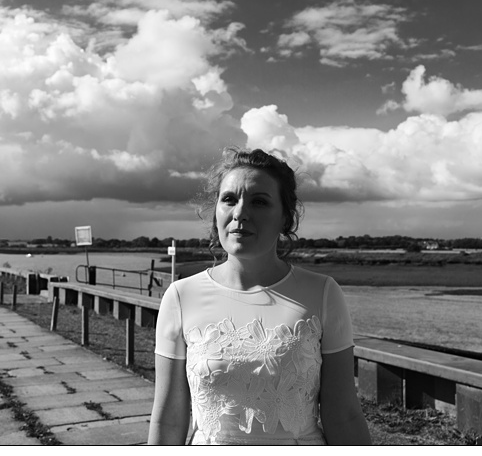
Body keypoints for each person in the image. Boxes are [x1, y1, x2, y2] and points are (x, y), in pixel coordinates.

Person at [148, 148, 372, 445]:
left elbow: (343, 414)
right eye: (229, 199)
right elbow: (168, 417)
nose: (240, 212)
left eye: (259, 201)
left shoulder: (322, 293)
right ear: (215, 210)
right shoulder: (180, 296)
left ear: (285, 218)